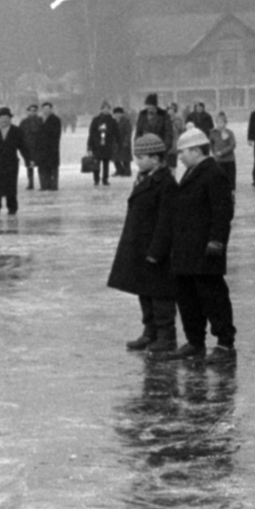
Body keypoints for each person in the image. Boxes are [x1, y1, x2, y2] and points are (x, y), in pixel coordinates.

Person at [164, 125, 236, 365]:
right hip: (185, 249)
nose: (180, 157)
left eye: (183, 152)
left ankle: (225, 344)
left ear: (196, 150)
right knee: (187, 297)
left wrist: (216, 242)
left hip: (205, 249)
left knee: (212, 297)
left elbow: (222, 212)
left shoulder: (214, 173)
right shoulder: (191, 171)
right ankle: (195, 342)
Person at [106, 133, 178, 355]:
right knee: (144, 290)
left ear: (156, 158)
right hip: (140, 245)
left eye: (141, 156)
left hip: (156, 249)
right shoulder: (144, 178)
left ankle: (166, 336)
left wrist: (157, 251)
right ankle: (150, 332)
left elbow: (167, 221)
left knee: (160, 294)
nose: (137, 161)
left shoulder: (166, 183)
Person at [87, 101, 118, 186]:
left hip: (107, 144)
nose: (106, 110)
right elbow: (91, 133)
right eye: (104, 108)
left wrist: (118, 143)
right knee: (96, 163)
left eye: (107, 108)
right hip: (97, 145)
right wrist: (89, 145)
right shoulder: (96, 120)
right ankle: (96, 179)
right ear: (101, 109)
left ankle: (105, 179)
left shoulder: (112, 121)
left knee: (106, 163)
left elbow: (116, 133)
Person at [210, 112, 237, 195]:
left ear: (225, 123)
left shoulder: (229, 132)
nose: (219, 124)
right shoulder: (212, 133)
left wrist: (222, 152)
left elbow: (233, 145)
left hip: (229, 160)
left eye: (221, 122)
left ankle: (231, 195)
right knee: (218, 179)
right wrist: (214, 153)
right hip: (218, 160)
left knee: (230, 179)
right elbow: (211, 144)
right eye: (217, 122)